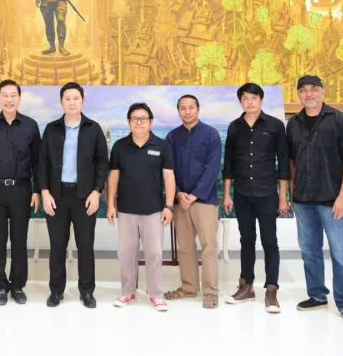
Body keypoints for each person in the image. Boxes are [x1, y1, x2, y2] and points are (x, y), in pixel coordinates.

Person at [287, 75, 343, 326]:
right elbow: (292, 160)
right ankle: (317, 295)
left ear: (322, 91)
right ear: (298, 95)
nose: (308, 94)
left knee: (340, 254)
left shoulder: (340, 120)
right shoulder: (293, 123)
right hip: (303, 199)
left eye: (313, 89)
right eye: (303, 90)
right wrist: (292, 192)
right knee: (309, 251)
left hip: (332, 198)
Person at [38, 82, 109, 308]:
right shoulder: (51, 129)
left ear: (83, 101)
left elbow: (102, 163)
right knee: (57, 246)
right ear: (61, 102)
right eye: (67, 99)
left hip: (85, 196)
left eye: (76, 98)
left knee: (85, 246)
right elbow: (42, 163)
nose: (71, 103)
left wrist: (97, 191)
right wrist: (45, 192)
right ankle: (56, 291)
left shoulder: (93, 128)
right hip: (57, 196)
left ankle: (86, 291)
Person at [222, 83, 289, 313]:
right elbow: (228, 163)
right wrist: (227, 194)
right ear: (240, 102)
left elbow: (283, 165)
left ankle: (271, 290)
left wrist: (283, 198)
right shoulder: (234, 127)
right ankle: (246, 287)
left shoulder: (275, 126)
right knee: (246, 240)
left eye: (253, 98)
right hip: (242, 193)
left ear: (261, 100)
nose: (249, 102)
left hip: (267, 193)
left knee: (270, 241)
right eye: (245, 98)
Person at [107, 103, 176, 312]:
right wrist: (110, 204)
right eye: (134, 119)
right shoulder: (119, 146)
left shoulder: (162, 146)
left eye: (143, 119)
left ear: (151, 122)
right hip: (126, 209)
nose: (139, 122)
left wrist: (169, 206)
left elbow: (169, 176)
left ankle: (156, 294)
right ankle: (127, 292)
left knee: (154, 253)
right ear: (129, 122)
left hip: (154, 210)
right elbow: (113, 176)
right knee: (126, 254)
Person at [0, 80, 41, 305]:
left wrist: (36, 191)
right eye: (5, 95)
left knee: (19, 240)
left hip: (21, 189)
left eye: (13, 95)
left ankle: (17, 286)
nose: (9, 99)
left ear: (19, 98)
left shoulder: (30, 126)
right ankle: (1, 287)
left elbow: (38, 162)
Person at [164, 95, 222, 309]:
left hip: (205, 201)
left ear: (198, 109)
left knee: (209, 247)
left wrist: (195, 194)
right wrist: (179, 194)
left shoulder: (211, 134)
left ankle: (210, 291)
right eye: (183, 108)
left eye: (191, 107)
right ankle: (189, 288)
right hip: (180, 202)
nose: (187, 111)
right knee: (185, 248)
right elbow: (168, 170)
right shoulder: (172, 137)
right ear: (178, 111)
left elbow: (213, 168)